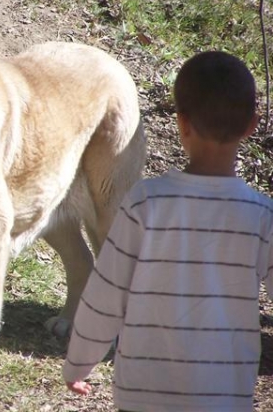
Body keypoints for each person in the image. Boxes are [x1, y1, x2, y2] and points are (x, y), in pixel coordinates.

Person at [62, 51, 273, 411]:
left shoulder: (146, 202)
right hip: (224, 395)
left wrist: (80, 361)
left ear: (181, 123)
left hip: (142, 394)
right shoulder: (261, 216)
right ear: (252, 125)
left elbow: (106, 293)